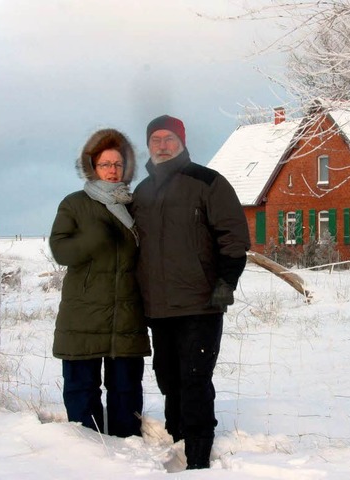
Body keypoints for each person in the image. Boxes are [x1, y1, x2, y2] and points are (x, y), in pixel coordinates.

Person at [131, 115, 251, 469]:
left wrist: (226, 282)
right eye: (156, 140)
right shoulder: (142, 192)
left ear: (182, 142)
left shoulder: (208, 182)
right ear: (148, 145)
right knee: (167, 376)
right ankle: (178, 439)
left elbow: (233, 237)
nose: (162, 145)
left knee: (195, 377)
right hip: (158, 304)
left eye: (169, 139)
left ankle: (198, 454)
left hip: (200, 302)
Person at [49, 128, 151, 437]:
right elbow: (60, 250)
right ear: (93, 166)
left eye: (118, 164)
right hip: (84, 315)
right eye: (105, 164)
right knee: (82, 390)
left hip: (127, 315)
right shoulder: (74, 204)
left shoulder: (136, 205)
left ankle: (127, 452)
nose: (112, 170)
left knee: (126, 390)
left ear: (126, 168)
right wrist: (93, 239)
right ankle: (87, 455)